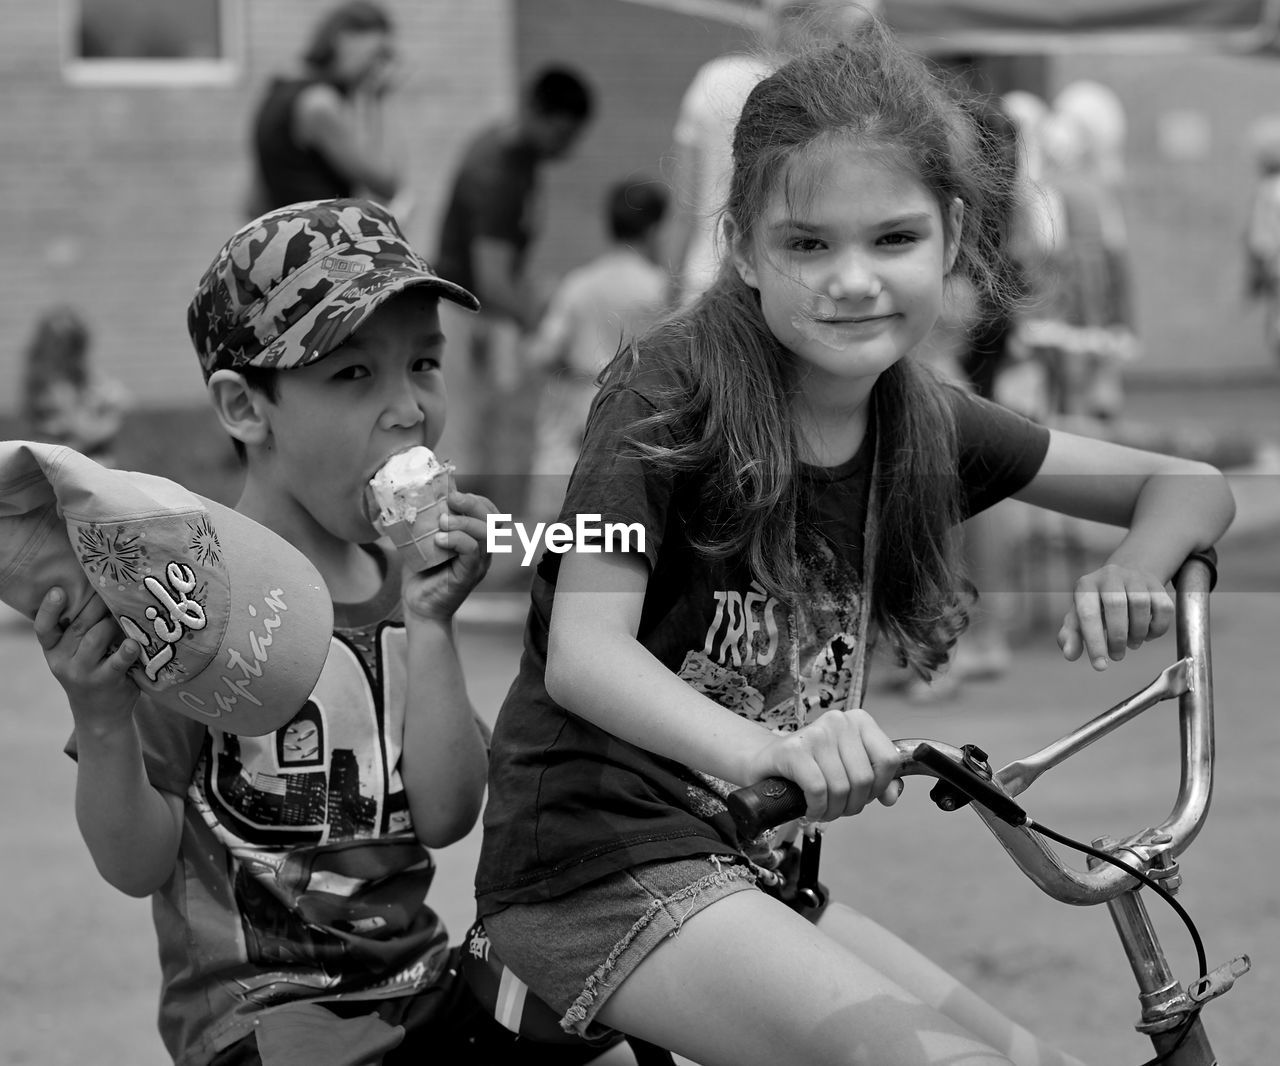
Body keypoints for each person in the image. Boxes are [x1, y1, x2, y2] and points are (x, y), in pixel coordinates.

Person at [474, 23, 1235, 1066]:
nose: (850, 280)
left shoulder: (923, 422)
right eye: (805, 243)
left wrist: (1135, 563)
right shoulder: (666, 396)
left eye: (892, 239)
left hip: (753, 872)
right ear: (741, 243)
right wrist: (772, 750)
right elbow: (584, 652)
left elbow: (1184, 487)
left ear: (953, 232)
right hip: (598, 871)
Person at [30, 198, 611, 1066]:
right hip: (264, 1016)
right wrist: (106, 719)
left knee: (613, 1007)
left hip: (419, 987)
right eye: (353, 375)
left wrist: (431, 623)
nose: (408, 408)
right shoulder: (190, 602)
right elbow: (136, 865)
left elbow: (448, 816)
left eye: (423, 363)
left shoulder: (403, 585)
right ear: (245, 408)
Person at [434, 65, 595, 507]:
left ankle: (489, 544)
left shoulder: (519, 159)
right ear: (537, 112)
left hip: (476, 310)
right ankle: (472, 548)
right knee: (473, 440)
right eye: (562, 136)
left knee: (490, 436)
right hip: (466, 311)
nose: (567, 150)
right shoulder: (499, 172)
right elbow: (492, 282)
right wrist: (545, 322)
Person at [666, 0, 880, 306]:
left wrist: (669, 296)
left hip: (705, 281)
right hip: (798, 282)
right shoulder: (842, 99)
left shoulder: (715, 79)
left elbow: (682, 211)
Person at [525, 178, 672, 522]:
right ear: (653, 229)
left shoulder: (579, 283)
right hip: (634, 412)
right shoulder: (659, 291)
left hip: (576, 405)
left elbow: (543, 352)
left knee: (553, 522)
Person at [247, 2, 405, 217]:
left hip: (284, 240)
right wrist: (379, 100)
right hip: (318, 242)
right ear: (343, 39)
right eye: (377, 53)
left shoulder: (279, 90)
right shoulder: (320, 103)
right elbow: (387, 183)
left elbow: (251, 203)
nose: (377, 67)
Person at [20, 305, 129, 467]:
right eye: (60, 345)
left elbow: (120, 398)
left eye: (72, 346)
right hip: (59, 462)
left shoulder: (84, 377)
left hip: (92, 460)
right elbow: (77, 428)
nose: (67, 354)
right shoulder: (43, 383)